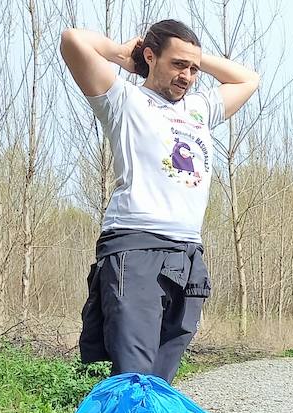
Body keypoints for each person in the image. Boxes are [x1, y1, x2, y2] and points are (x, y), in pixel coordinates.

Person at [61, 20, 260, 383]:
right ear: (150, 57)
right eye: (178, 65)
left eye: (194, 69)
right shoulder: (123, 99)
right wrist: (123, 54)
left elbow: (248, 79)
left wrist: (194, 55)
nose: (187, 76)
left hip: (187, 254)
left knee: (159, 382)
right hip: (136, 246)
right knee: (134, 378)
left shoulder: (199, 109)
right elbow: (73, 40)